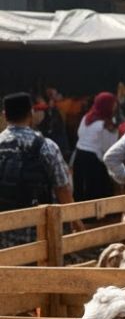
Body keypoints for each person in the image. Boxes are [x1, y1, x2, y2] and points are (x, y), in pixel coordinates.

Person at [0, 91, 75, 246]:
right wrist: (75, 221)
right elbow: (62, 189)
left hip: (4, 235)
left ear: (4, 115)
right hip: (39, 235)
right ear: (31, 114)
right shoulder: (46, 146)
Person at [72, 91, 118, 201]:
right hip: (94, 162)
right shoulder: (106, 125)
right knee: (97, 196)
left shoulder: (86, 118)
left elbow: (79, 134)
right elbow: (109, 149)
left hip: (79, 157)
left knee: (80, 193)